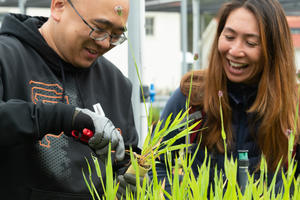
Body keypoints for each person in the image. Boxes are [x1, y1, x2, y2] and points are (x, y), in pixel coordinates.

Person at [151, 0, 300, 195]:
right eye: (229, 36)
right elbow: (155, 163)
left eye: (251, 42)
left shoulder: (294, 106)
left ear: (273, 51)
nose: (235, 51)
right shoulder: (192, 97)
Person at [0, 0, 139, 199]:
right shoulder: (7, 57)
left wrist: (130, 176)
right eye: (98, 28)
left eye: (116, 35)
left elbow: (126, 153)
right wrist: (65, 117)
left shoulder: (115, 82)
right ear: (58, 7)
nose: (105, 43)